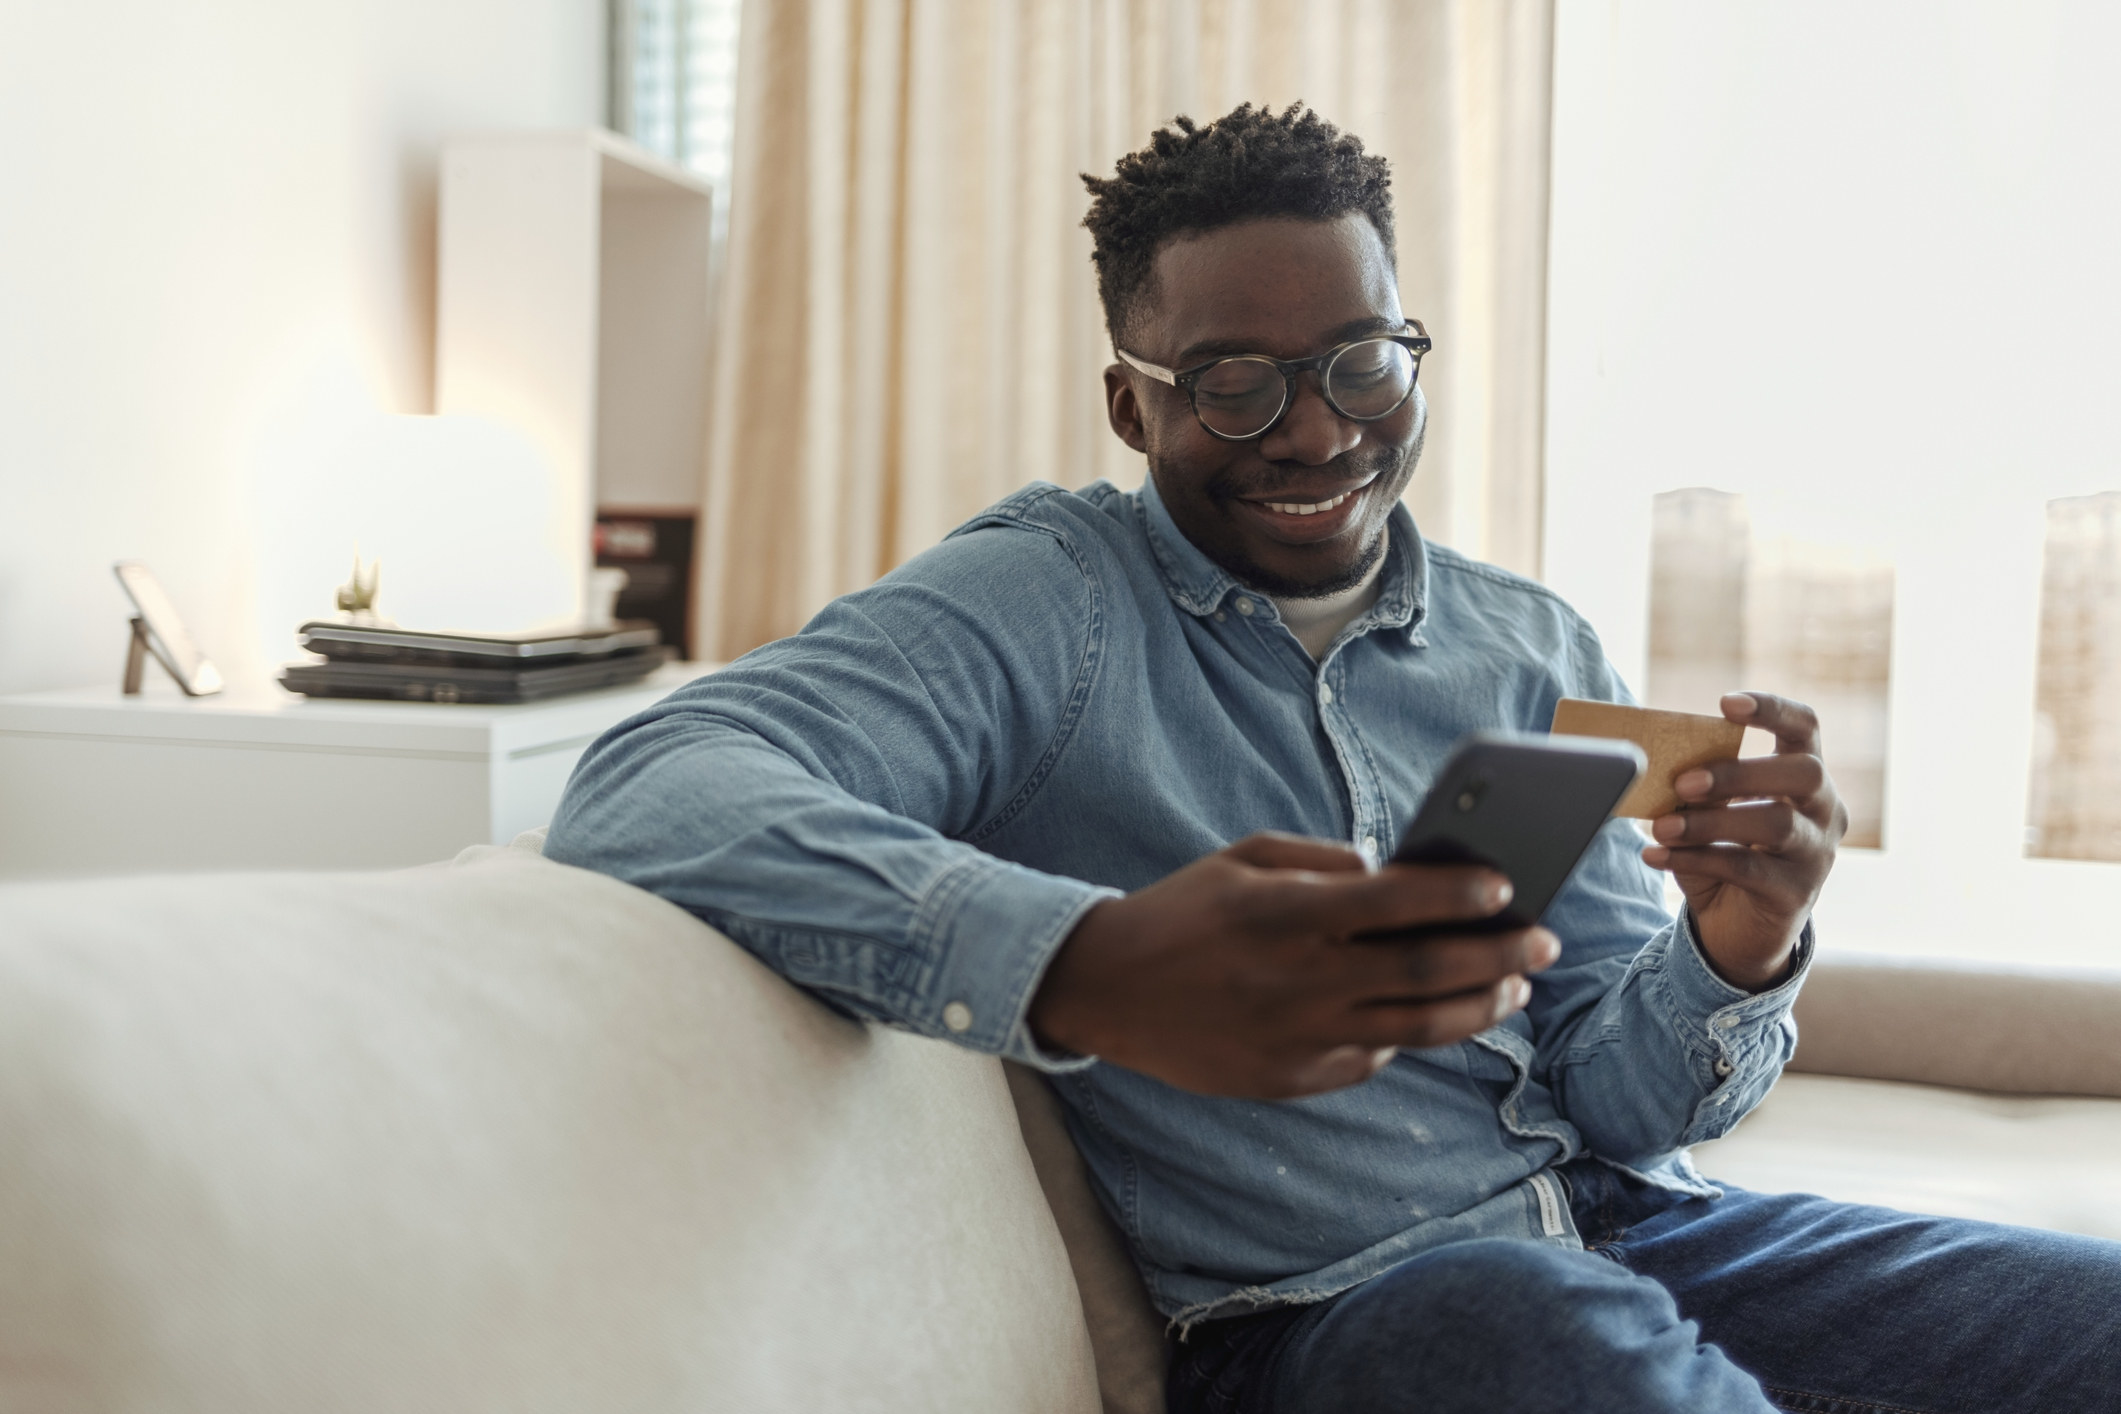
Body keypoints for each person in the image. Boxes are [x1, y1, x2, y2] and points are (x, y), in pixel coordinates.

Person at [547, 103, 2120, 1414]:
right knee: (1518, 1327)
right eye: (1233, 382)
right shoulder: (1045, 604)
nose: (1313, 433)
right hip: (1324, 1322)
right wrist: (1080, 961)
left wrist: (1739, 943)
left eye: (1361, 361)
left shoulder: (1529, 647)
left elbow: (1623, 1102)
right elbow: (651, 780)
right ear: (1129, 400)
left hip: (1630, 1233)